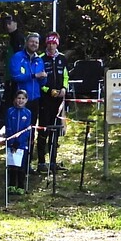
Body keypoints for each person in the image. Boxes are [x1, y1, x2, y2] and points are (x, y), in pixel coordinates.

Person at [34, 34, 68, 175]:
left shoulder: (62, 58)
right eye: (49, 44)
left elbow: (65, 76)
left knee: (56, 131)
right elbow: (39, 79)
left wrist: (64, 89)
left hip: (59, 100)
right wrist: (49, 90)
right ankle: (41, 161)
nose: (51, 46)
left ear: (57, 45)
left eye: (53, 44)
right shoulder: (40, 59)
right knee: (43, 130)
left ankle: (53, 161)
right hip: (45, 99)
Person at [3, 89, 33, 193]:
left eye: (23, 99)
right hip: (11, 143)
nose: (20, 101)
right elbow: (8, 127)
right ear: (15, 99)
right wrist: (12, 142)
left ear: (26, 100)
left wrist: (19, 141)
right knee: (12, 165)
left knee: (21, 166)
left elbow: (27, 130)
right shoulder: (10, 111)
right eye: (19, 98)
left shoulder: (28, 113)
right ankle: (11, 185)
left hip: (22, 144)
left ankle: (20, 186)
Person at [6, 32, 44, 107]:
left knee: (33, 118)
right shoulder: (17, 57)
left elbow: (42, 82)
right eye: (32, 42)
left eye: (36, 42)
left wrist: (43, 78)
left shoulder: (39, 60)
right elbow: (15, 76)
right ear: (26, 43)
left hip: (35, 99)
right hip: (20, 99)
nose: (34, 44)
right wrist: (34, 75)